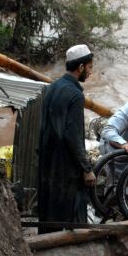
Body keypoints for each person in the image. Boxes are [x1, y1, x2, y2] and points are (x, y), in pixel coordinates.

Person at [37, 44, 96, 234]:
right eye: (90, 67)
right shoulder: (76, 95)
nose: (90, 72)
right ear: (81, 67)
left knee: (48, 211)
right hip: (66, 166)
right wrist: (86, 168)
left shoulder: (53, 87)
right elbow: (73, 135)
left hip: (47, 161)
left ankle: (44, 243)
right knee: (74, 211)